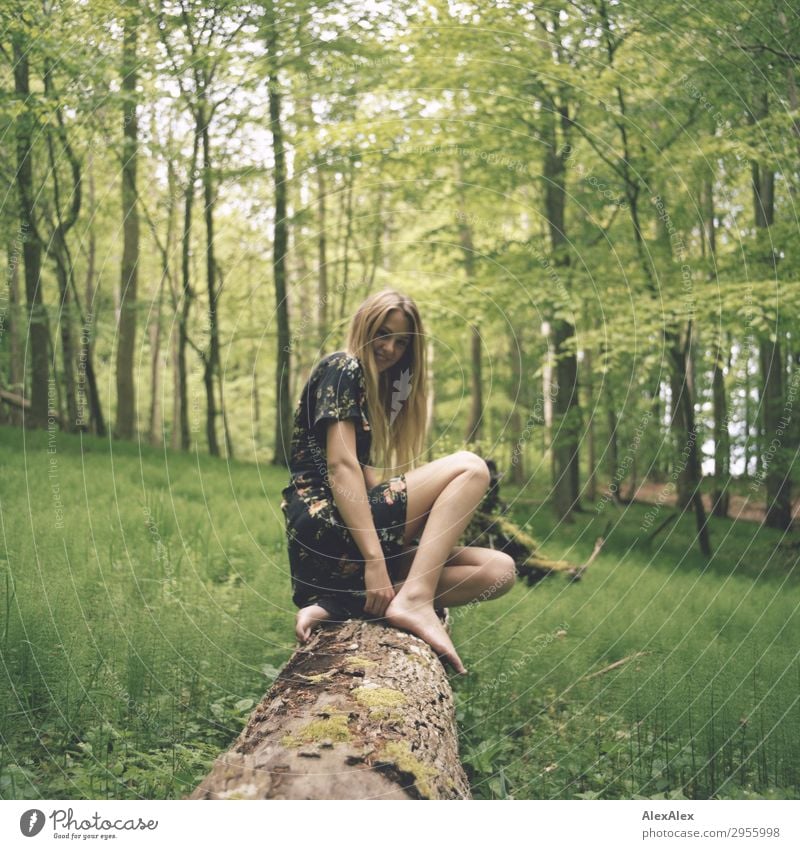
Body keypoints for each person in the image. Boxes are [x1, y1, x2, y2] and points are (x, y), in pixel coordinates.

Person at [279, 288, 516, 674]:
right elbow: (342, 468)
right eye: (382, 333)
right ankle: (414, 600)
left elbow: (368, 481)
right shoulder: (343, 366)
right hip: (325, 523)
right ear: (364, 325)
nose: (389, 347)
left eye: (401, 342)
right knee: (471, 468)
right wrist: (375, 561)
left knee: (498, 571)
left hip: (335, 554)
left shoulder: (366, 393)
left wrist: (424, 524)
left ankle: (342, 604)